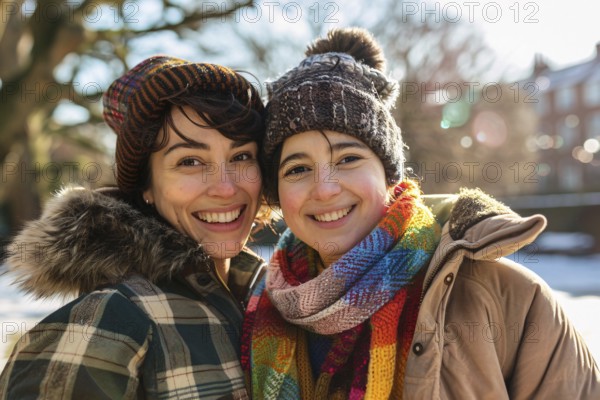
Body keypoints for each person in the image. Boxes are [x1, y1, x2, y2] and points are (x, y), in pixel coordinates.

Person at [241, 27, 600, 399]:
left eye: (348, 159)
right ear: (277, 193)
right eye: (297, 169)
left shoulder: (508, 299)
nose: (325, 188)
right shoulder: (254, 309)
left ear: (388, 175)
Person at [0, 55, 268, 399]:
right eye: (189, 161)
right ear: (146, 188)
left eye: (241, 156)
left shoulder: (273, 302)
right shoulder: (105, 326)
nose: (226, 187)